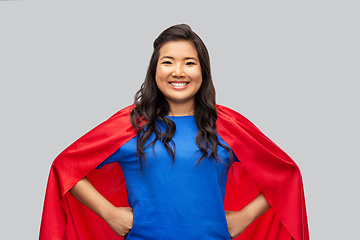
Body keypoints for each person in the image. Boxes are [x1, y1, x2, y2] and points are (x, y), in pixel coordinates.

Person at [40, 24, 309, 240]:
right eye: (168, 62)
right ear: (154, 70)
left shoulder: (226, 125)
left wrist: (246, 216)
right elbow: (65, 168)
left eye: (189, 63)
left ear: (203, 71)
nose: (178, 72)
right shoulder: (131, 125)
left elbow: (285, 175)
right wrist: (109, 213)